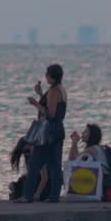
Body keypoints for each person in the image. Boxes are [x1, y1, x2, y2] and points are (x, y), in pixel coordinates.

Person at [23, 63, 67, 203]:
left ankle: (27, 196)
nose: (46, 77)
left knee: (34, 163)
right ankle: (54, 197)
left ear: (51, 77)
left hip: (48, 133)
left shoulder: (54, 91)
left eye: (47, 75)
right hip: (57, 130)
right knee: (54, 165)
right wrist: (41, 94)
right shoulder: (60, 89)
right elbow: (51, 105)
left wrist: (35, 103)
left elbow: (50, 114)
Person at [9, 136, 48, 202]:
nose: (26, 154)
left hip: (42, 186)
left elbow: (45, 178)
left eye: (27, 151)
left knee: (20, 186)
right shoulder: (28, 156)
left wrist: (37, 194)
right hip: (35, 182)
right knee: (12, 185)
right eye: (25, 152)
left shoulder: (38, 155)